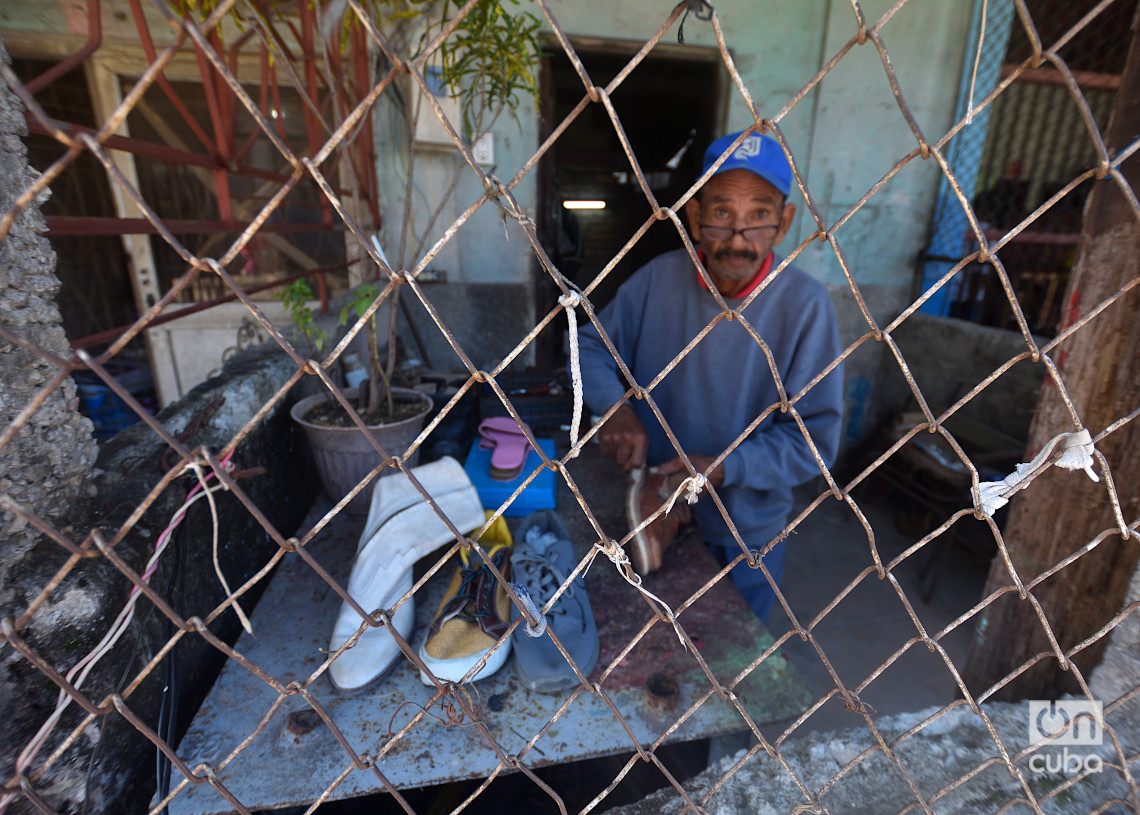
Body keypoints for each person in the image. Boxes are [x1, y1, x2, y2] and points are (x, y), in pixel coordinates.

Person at [578, 129, 844, 623]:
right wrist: (614, 407)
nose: (739, 238)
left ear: (784, 223)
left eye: (759, 215)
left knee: (732, 670)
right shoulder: (658, 279)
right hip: (651, 509)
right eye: (722, 213)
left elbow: (813, 441)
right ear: (695, 216)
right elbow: (590, 344)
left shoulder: (807, 306)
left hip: (747, 536)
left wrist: (724, 467)